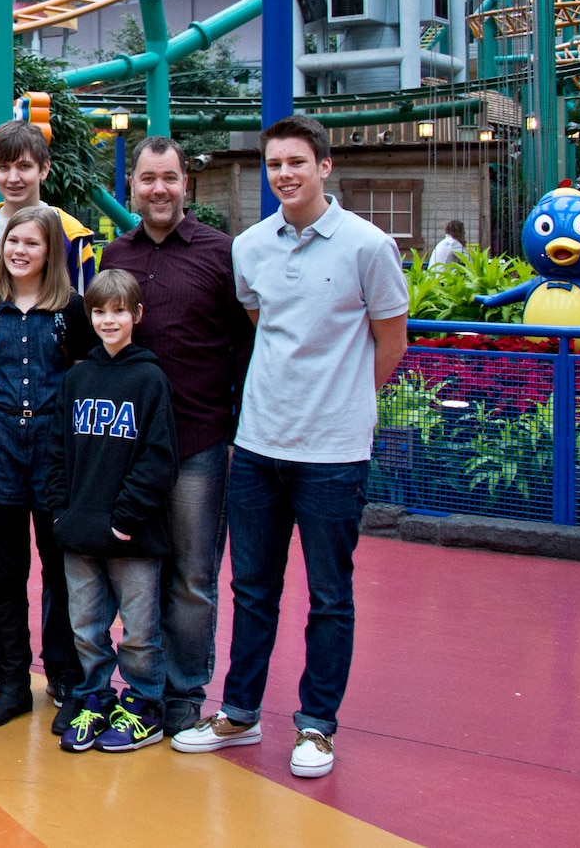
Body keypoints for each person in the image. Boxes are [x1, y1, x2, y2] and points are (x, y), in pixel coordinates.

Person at [171, 114, 406, 779]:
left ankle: (317, 725)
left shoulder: (367, 246)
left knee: (330, 593)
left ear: (324, 166)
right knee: (251, 587)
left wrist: (346, 400)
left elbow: (390, 340)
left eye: (297, 162)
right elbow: (259, 320)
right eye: (275, 164)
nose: (285, 174)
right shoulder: (250, 247)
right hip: (259, 444)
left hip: (334, 452)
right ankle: (239, 711)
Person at [97, 137, 252, 734]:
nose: (158, 189)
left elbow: (245, 344)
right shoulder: (117, 253)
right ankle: (143, 687)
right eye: (146, 179)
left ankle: (186, 689)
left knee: (192, 574)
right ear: (131, 186)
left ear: (187, 182)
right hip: (128, 446)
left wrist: (238, 424)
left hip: (198, 440)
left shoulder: (222, 254)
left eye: (169, 177)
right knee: (134, 569)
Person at [0, 121, 96, 706]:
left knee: (61, 560)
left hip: (56, 431)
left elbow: (87, 335)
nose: (13, 176)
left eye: (24, 166)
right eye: (4, 166)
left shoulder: (74, 235)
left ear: (43, 170)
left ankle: (62, 669)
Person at [45, 269, 177, 755]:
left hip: (132, 535)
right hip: (79, 532)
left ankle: (144, 706)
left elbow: (158, 459)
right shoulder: (77, 378)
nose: (109, 319)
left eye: (119, 310)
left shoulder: (150, 379)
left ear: (137, 315)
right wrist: (61, 512)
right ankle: (94, 698)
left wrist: (124, 517)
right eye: (100, 311)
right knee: (86, 627)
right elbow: (57, 451)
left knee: (140, 632)